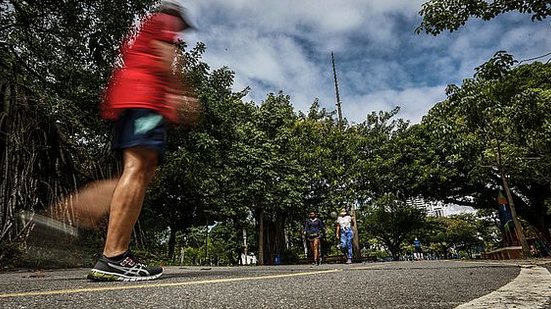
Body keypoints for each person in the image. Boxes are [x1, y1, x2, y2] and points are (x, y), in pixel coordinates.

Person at [87, 0, 196, 282]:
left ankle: (105, 241)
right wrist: (181, 92)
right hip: (145, 100)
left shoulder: (145, 28)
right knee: (138, 168)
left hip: (133, 99)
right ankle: (114, 256)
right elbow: (164, 59)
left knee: (141, 171)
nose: (181, 32)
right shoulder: (164, 23)